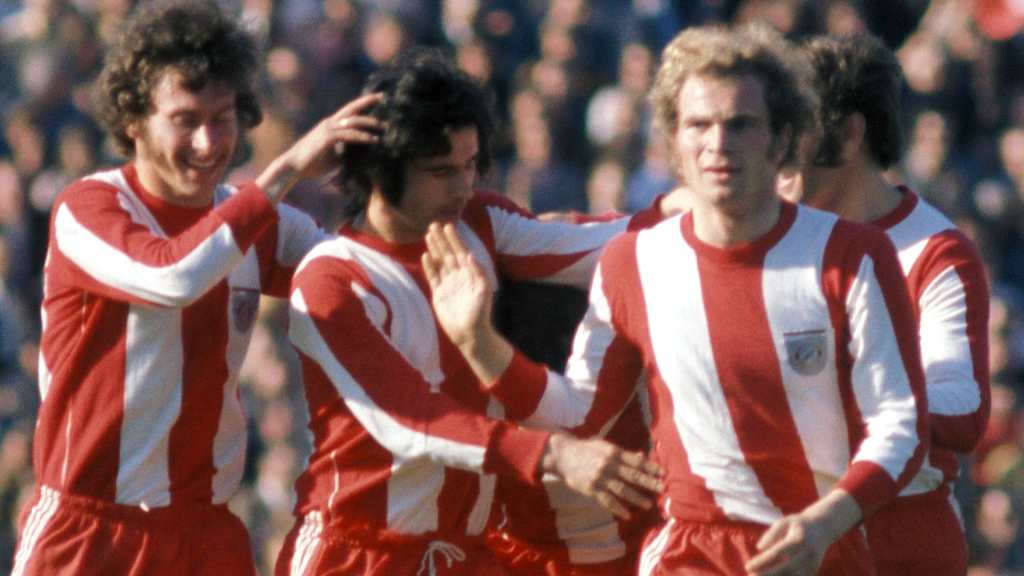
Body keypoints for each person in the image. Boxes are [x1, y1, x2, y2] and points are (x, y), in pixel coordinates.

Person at [424, 23, 931, 575]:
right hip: (691, 553)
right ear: (672, 140)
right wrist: (478, 342)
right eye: (699, 125)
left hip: (819, 547)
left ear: (783, 139)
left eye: (741, 125)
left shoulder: (851, 255)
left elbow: (900, 425)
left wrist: (826, 522)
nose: (719, 145)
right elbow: (580, 414)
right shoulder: (633, 262)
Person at [10, 1, 386, 574]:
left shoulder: (254, 218)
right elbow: (173, 275)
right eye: (186, 119)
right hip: (90, 533)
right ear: (134, 119)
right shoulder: (89, 208)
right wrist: (283, 171)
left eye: (224, 117)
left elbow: (362, 279)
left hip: (205, 534)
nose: (210, 142)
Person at [277, 47, 663, 576]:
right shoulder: (332, 279)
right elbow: (413, 424)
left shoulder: (478, 223)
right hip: (357, 553)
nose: (462, 187)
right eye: (440, 172)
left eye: (470, 165)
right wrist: (555, 454)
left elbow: (599, 245)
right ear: (380, 172)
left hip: (465, 552)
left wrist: (689, 213)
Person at [777, 32, 990, 575]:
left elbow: (962, 405)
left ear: (849, 135)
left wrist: (832, 392)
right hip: (789, 532)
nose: (773, 154)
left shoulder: (935, 252)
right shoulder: (765, 236)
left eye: (792, 132)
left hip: (901, 538)